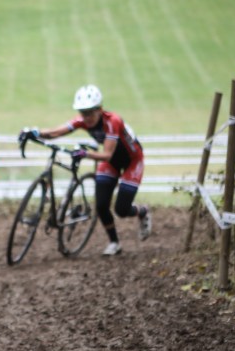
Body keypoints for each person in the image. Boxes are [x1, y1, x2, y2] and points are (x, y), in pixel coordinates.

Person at [20, 84, 152, 255]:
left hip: (132, 161)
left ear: (99, 109)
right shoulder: (82, 120)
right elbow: (55, 132)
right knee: (101, 205)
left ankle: (142, 211)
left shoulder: (113, 121)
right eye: (83, 112)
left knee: (121, 209)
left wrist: (85, 154)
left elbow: (107, 155)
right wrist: (34, 132)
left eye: (90, 112)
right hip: (112, 162)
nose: (86, 117)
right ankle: (114, 243)